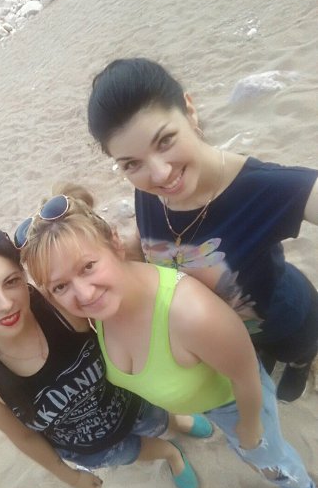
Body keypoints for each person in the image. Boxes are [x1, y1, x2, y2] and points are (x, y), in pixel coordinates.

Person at [18, 187, 318, 488]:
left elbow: (247, 374)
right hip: (203, 401)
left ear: (115, 244)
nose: (84, 293)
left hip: (235, 403)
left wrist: (250, 430)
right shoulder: (96, 312)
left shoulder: (190, 314)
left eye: (88, 267)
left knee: (268, 463)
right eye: (60, 286)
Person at [87, 57, 318, 403]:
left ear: (189, 110)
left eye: (165, 141)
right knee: (254, 360)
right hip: (228, 330)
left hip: (285, 318)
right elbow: (145, 241)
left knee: (295, 351)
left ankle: (301, 364)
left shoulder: (265, 188)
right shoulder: (148, 188)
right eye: (131, 163)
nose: (160, 174)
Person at [0, 225, 212, 488]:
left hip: (135, 403)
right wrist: (69, 476)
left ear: (23, 274)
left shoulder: (61, 304)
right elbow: (24, 436)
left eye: (11, 282)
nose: (6, 303)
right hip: (90, 448)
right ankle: (171, 454)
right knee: (132, 451)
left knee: (160, 421)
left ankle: (178, 423)